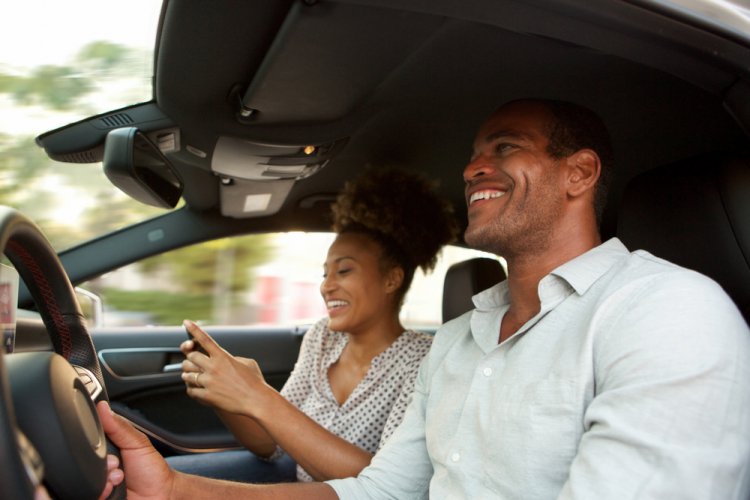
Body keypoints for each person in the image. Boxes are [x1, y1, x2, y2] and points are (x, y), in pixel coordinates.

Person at [96, 98, 750, 499]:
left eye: (505, 147)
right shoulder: (464, 338)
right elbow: (382, 492)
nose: (471, 169)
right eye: (473, 155)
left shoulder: (668, 314)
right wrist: (176, 487)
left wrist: (256, 401)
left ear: (579, 173)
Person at [166, 167, 459, 483]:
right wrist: (223, 395)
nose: (326, 286)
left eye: (344, 271)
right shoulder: (322, 338)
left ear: (392, 279)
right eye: (325, 274)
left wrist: (257, 394)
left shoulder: (424, 361)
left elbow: (387, 484)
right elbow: (271, 446)